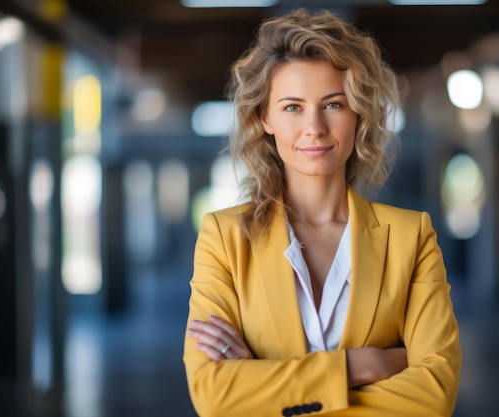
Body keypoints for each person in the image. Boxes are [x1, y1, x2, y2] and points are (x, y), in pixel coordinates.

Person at [184, 8, 461, 417]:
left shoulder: (411, 237)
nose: (314, 126)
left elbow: (435, 395)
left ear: (358, 113)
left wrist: (265, 387)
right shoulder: (224, 238)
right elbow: (213, 396)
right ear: (265, 117)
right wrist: (361, 366)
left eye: (333, 104)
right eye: (293, 107)